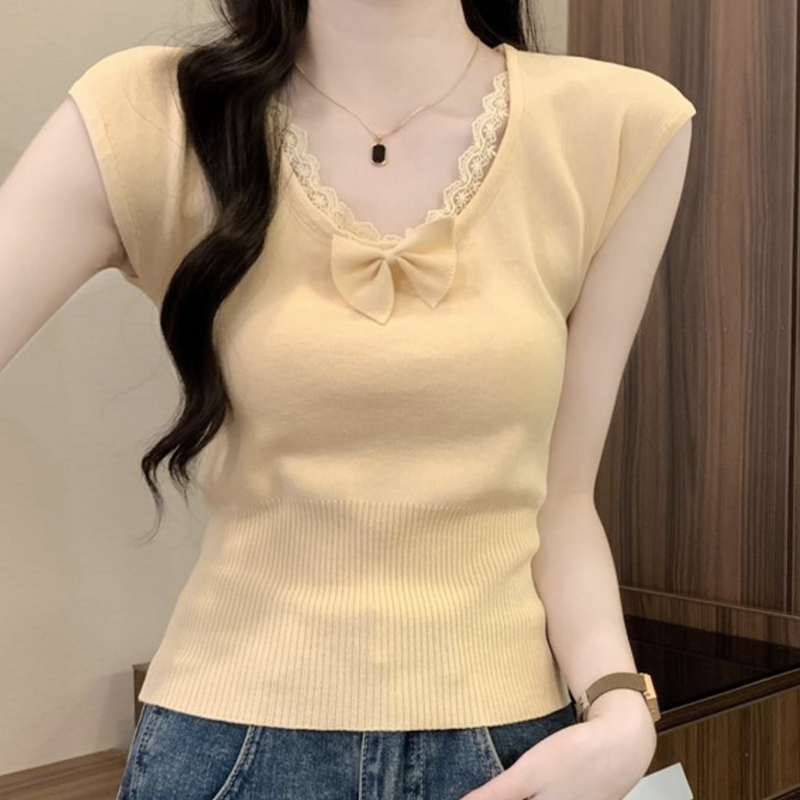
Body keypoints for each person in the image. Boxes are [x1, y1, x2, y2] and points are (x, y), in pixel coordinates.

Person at [0, 0, 695, 797]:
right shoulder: (152, 114)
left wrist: (621, 711)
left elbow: (561, 498)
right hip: (230, 748)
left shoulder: (618, 125)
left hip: (508, 756)